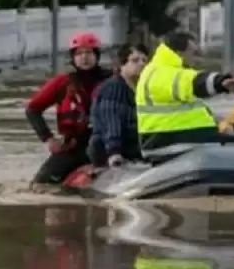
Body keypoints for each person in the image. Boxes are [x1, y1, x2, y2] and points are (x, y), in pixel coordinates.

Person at [25, 32, 112, 185]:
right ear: (73, 58)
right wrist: (47, 139)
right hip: (75, 147)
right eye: (79, 53)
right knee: (40, 184)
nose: (84, 57)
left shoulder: (113, 80)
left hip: (108, 143)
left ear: (97, 55)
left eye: (89, 52)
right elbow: (33, 109)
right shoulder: (62, 82)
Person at [136, 31, 234, 151]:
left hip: (177, 136)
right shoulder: (160, 72)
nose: (195, 58)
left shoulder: (164, 70)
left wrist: (220, 124)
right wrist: (219, 82)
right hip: (168, 139)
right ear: (179, 53)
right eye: (193, 53)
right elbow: (192, 82)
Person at [88, 43, 149, 167]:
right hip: (109, 147)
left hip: (135, 145)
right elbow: (111, 120)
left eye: (144, 60)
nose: (141, 64)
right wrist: (114, 152)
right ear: (122, 64)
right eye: (135, 60)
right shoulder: (113, 87)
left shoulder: (142, 88)